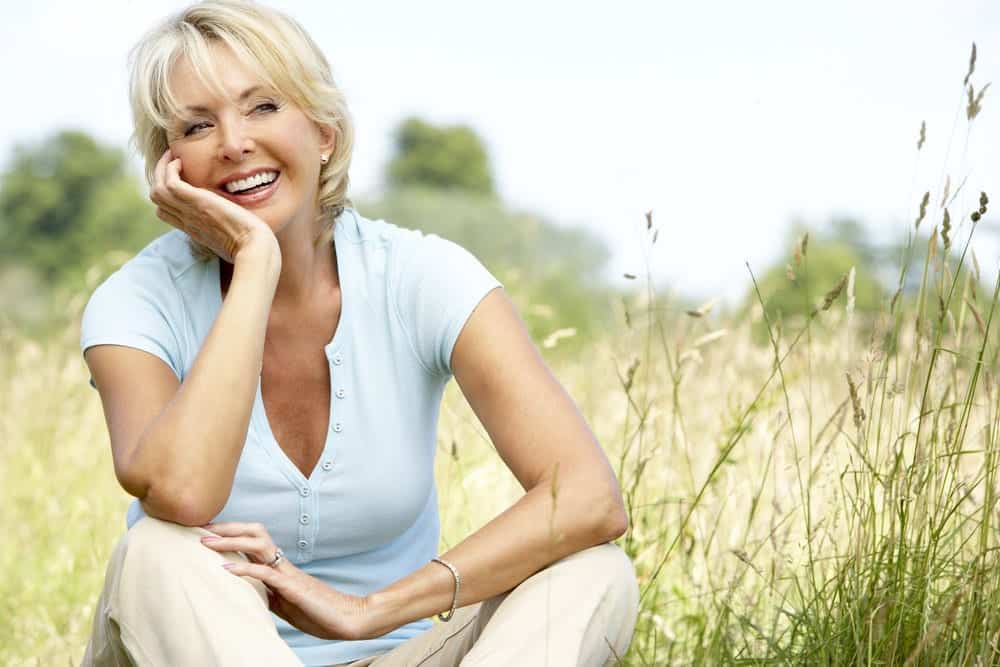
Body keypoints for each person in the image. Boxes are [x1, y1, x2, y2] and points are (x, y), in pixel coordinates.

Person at [78, 1, 639, 665]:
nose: (232, 141)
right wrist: (256, 264)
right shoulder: (135, 303)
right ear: (172, 167)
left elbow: (587, 495)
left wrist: (368, 611)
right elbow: (185, 492)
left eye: (263, 107)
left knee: (593, 570)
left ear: (324, 133)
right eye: (198, 125)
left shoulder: (421, 276)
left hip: (395, 651)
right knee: (158, 547)